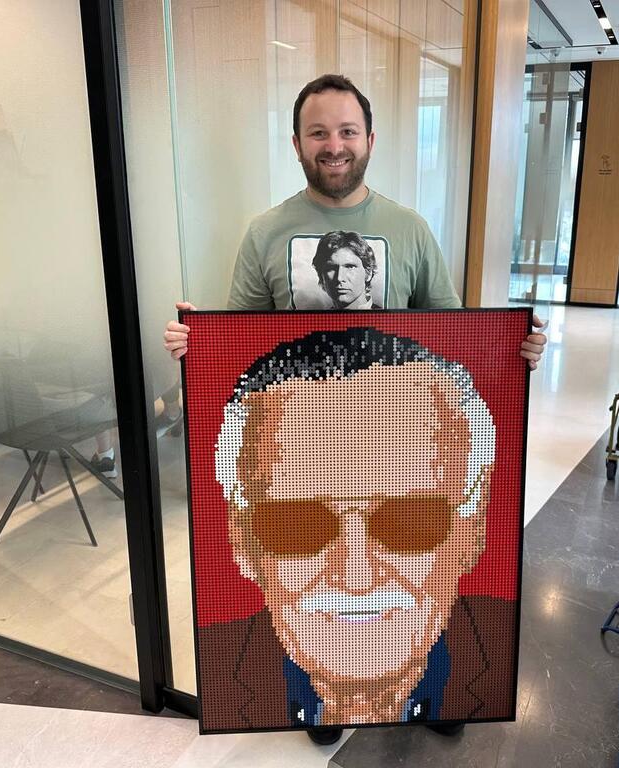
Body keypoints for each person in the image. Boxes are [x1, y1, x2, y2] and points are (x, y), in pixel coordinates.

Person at [163, 73, 546, 744]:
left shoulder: (410, 229)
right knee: (312, 551)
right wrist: (193, 345)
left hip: (397, 445)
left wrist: (519, 351)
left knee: (412, 546)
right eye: (318, 133)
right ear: (297, 143)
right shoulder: (265, 233)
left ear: (370, 140)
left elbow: (455, 333)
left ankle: (435, 693)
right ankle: (315, 701)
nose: (333, 145)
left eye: (346, 131)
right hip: (307, 452)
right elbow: (237, 343)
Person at [198, 328, 516, 733]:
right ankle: (315, 709)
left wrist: (516, 343)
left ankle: (440, 703)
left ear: (473, 531)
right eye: (298, 525)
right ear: (241, 542)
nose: (357, 577)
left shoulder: (498, 646)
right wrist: (195, 341)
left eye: (409, 522)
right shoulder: (216, 669)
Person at [312, 230, 378, 309]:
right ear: (321, 276)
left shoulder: (385, 318)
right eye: (331, 268)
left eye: (350, 267)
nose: (339, 278)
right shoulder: (316, 320)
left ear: (369, 273)